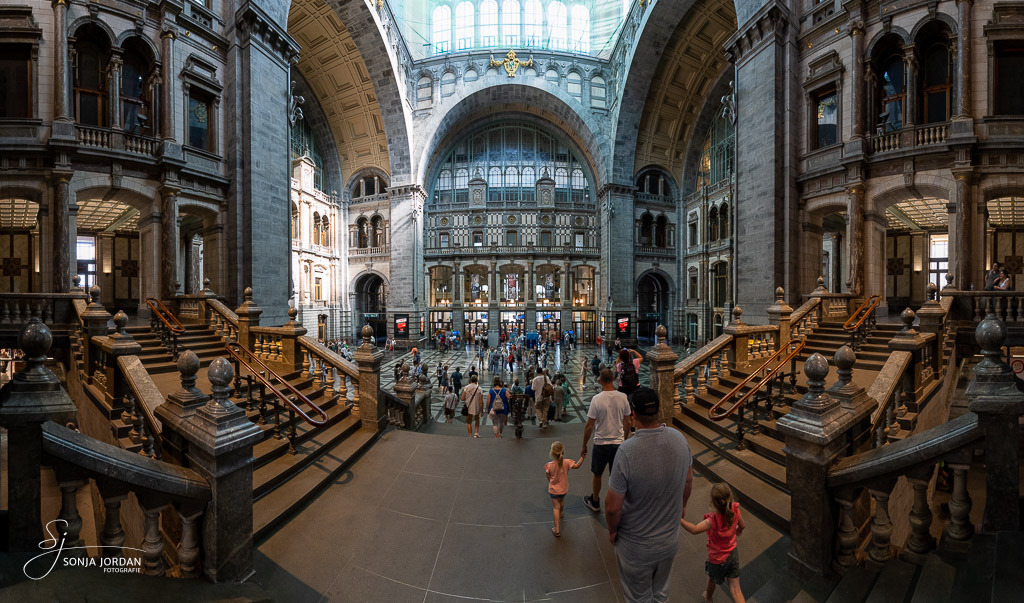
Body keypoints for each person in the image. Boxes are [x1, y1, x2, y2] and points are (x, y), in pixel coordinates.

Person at [606, 387, 694, 603]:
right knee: (661, 593)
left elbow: (612, 507)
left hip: (637, 545)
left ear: (634, 415)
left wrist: (612, 531)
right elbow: (689, 479)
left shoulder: (627, 451)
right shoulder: (680, 440)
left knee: (638, 597)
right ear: (660, 409)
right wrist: (682, 506)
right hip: (670, 540)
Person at [681, 484, 746, 603]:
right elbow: (743, 525)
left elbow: (695, 529)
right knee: (736, 590)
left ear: (713, 503)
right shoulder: (735, 510)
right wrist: (738, 530)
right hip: (732, 554)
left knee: (712, 579)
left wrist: (680, 520)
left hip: (717, 559)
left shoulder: (712, 520)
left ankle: (708, 597)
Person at [580, 369, 633, 513]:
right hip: (618, 443)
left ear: (600, 380)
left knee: (597, 474)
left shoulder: (597, 399)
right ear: (613, 379)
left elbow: (589, 426)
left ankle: (595, 501)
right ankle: (615, 503)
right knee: (615, 476)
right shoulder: (623, 397)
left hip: (601, 444)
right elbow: (628, 422)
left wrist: (584, 445)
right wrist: (625, 439)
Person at [545, 441, 585, 538]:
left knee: (555, 507)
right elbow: (577, 465)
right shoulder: (567, 462)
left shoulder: (549, 465)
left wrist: (552, 482)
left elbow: (548, 477)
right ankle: (562, 512)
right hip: (563, 489)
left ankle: (557, 529)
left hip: (554, 490)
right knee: (561, 500)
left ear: (552, 453)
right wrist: (582, 457)